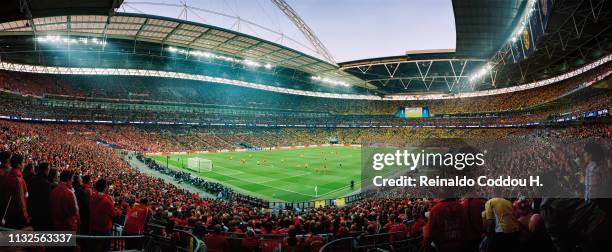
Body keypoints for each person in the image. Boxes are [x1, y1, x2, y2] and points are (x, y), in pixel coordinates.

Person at [89, 178, 121, 251]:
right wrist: (118, 210)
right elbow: (114, 214)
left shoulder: (92, 196)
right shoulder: (106, 200)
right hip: (104, 230)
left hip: (93, 227)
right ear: (105, 187)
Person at [0, 154, 30, 229]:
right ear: (18, 165)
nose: (24, 165)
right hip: (15, 216)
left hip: (7, 214)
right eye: (23, 163)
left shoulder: (7, 175)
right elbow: (21, 201)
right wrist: (26, 218)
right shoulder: (18, 180)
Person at [27, 162, 52, 231]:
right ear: (45, 170)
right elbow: (47, 201)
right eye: (48, 170)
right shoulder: (46, 184)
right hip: (42, 214)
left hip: (32, 211)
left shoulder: (31, 180)